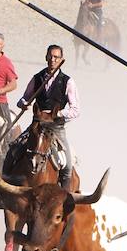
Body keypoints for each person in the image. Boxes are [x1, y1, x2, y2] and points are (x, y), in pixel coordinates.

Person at [15, 43, 79, 190]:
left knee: (67, 163)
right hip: (37, 125)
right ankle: (3, 194)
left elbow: (75, 109)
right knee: (14, 150)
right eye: (50, 56)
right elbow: (23, 98)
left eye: (56, 57)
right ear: (46, 57)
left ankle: (64, 196)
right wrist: (24, 104)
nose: (52, 59)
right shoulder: (37, 78)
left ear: (61, 59)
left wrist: (58, 114)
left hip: (55, 127)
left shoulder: (68, 81)